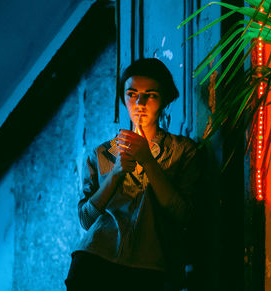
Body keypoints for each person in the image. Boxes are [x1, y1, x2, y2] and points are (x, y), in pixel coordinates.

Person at [65, 58, 201, 291]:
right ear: (123, 98)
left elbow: (184, 215)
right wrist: (116, 173)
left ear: (165, 99)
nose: (140, 103)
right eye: (132, 93)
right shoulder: (102, 154)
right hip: (94, 261)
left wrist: (148, 161)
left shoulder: (182, 151)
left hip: (149, 269)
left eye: (151, 95)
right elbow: (86, 219)